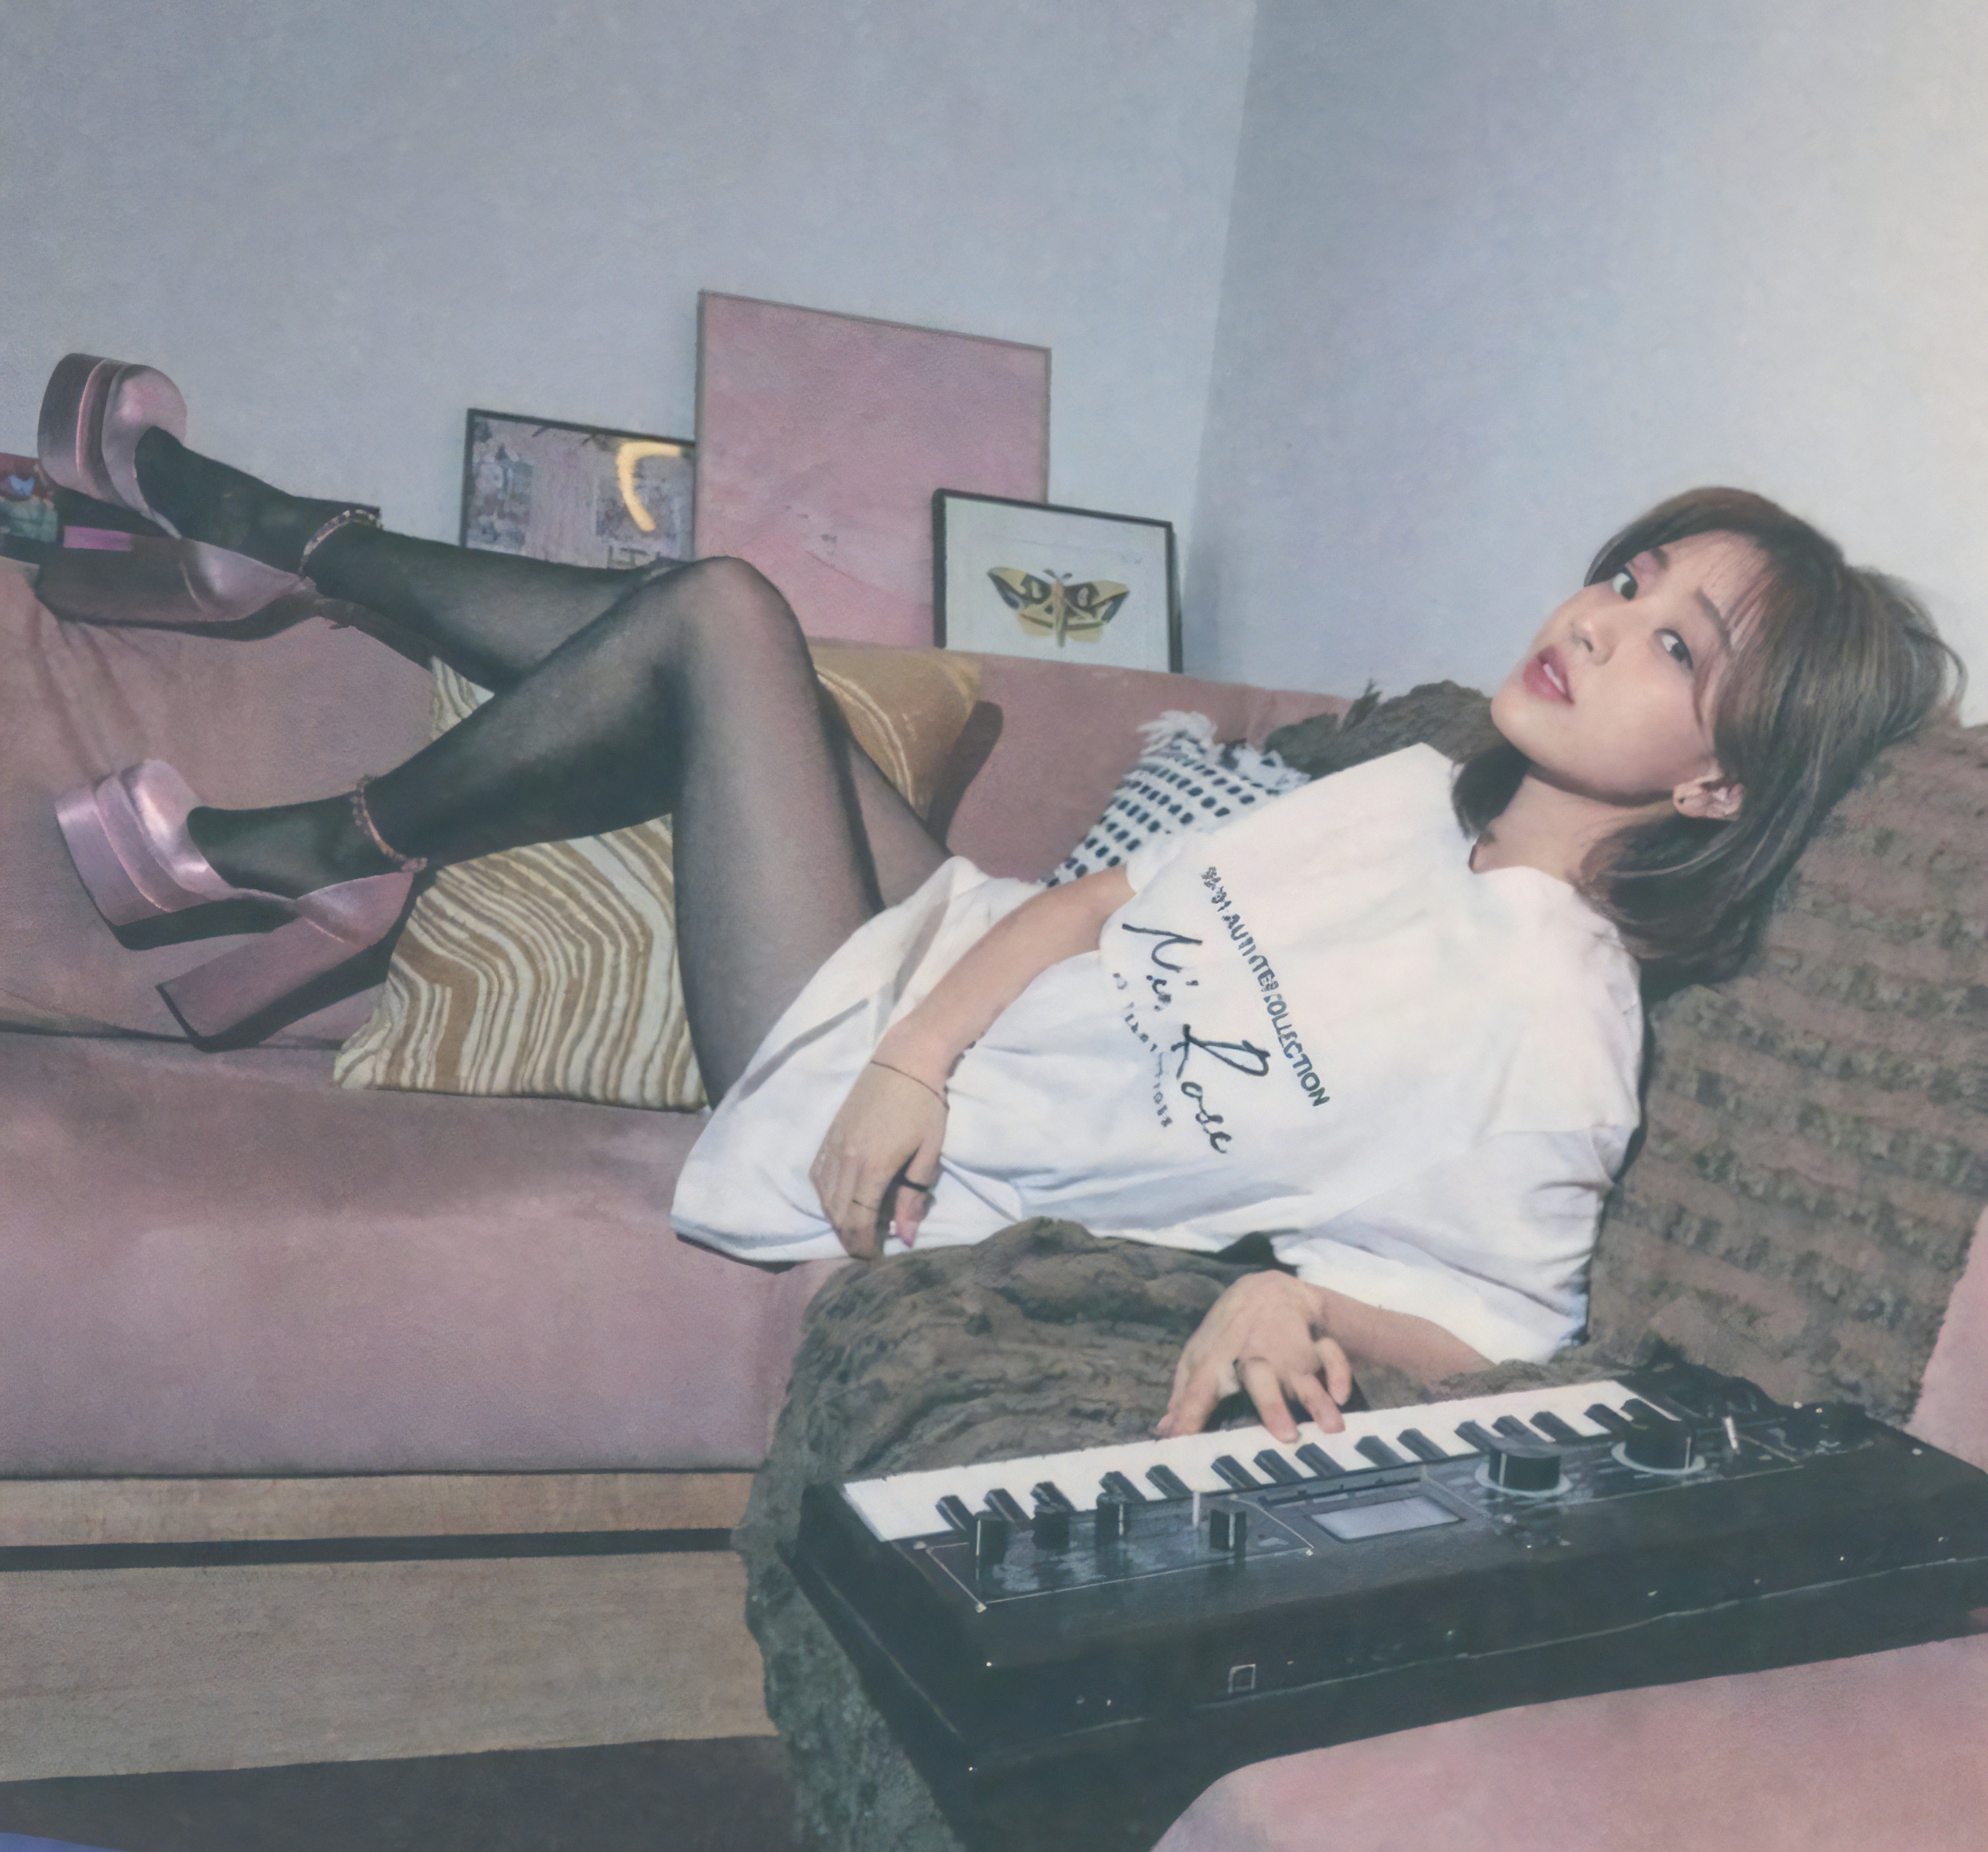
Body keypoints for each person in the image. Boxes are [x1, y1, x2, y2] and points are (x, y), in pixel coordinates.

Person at [36, 356, 1961, 1448]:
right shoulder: (1405, 793)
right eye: (1627, 578)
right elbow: (1093, 898)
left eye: (1676, 645)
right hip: (931, 1000)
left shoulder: (1554, 1025)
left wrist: (1296, 1295)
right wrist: (924, 1046)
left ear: (1721, 784)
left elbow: (1516, 1332)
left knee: (719, 621)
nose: (1600, 621)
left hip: (894, 1151)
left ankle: (293, 718)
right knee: (722, 636)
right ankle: (292, 697)